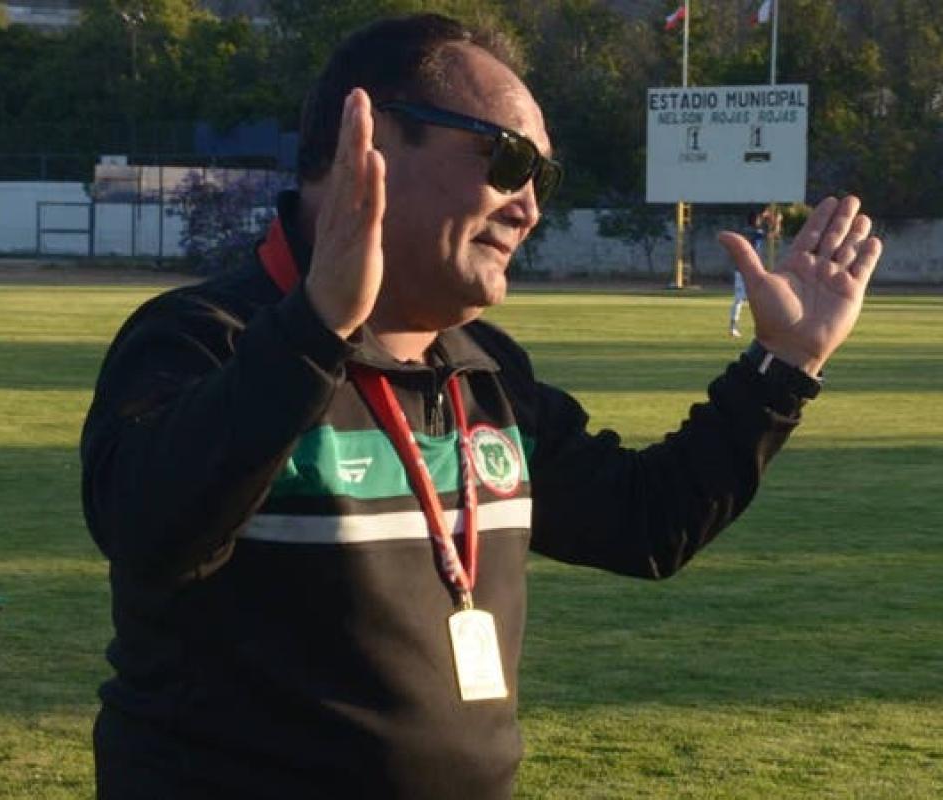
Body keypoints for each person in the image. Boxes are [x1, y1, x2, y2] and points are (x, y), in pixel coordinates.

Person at [80, 13, 882, 799]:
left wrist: (784, 367)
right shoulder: (201, 339)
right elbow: (150, 531)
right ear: (371, 142)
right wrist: (314, 328)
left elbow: (646, 522)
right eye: (507, 159)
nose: (529, 206)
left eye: (543, 178)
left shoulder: (483, 370)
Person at [730, 209, 772, 337]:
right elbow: (771, 235)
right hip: (749, 269)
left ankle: (733, 326)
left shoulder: (744, 231)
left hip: (742, 268)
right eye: (758, 219)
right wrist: (773, 221)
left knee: (740, 299)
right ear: (755, 220)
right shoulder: (755, 232)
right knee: (750, 298)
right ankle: (762, 328)